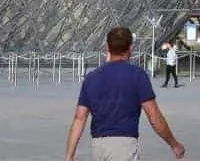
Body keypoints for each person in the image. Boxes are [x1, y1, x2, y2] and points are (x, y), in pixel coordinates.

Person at [64, 26, 185, 161]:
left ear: (107, 48)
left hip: (98, 147)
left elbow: (79, 118)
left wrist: (69, 155)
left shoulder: (91, 77)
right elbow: (154, 116)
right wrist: (174, 144)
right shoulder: (137, 75)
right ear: (130, 49)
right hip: (125, 147)